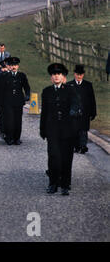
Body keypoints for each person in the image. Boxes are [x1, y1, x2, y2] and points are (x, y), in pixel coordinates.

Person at [40, 63, 79, 196]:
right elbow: (44, 112)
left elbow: (76, 103)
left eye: (59, 74)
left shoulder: (70, 90)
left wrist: (74, 110)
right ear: (51, 77)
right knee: (53, 157)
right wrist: (42, 130)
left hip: (68, 130)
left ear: (63, 77)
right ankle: (53, 184)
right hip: (52, 130)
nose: (56, 76)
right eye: (54, 74)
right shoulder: (46, 92)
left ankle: (65, 185)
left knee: (66, 158)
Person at [0, 57, 30, 145]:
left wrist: (27, 95)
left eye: (15, 65)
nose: (14, 67)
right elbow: (1, 89)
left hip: (18, 101)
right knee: (9, 120)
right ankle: (9, 138)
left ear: (18, 66)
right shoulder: (5, 76)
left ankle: (17, 138)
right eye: (12, 65)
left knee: (18, 120)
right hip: (8, 102)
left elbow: (26, 87)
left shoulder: (22, 76)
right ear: (9, 66)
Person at [66, 65, 96, 154]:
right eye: (77, 74)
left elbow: (92, 99)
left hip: (85, 112)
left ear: (83, 75)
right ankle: (76, 146)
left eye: (81, 75)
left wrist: (93, 112)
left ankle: (83, 146)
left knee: (83, 130)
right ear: (74, 74)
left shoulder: (88, 85)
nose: (79, 76)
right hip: (73, 112)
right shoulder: (69, 85)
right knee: (75, 130)